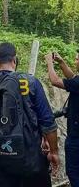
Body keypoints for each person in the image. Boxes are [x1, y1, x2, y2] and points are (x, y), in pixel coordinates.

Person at [0, 43, 59, 187]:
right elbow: (48, 123)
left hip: (2, 159)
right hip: (33, 159)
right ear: (15, 60)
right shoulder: (31, 82)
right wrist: (54, 151)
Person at [45, 50, 79, 187]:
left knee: (74, 172)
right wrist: (61, 62)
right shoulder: (77, 82)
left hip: (76, 138)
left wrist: (49, 63)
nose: (75, 61)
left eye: (77, 59)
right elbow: (72, 79)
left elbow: (55, 81)